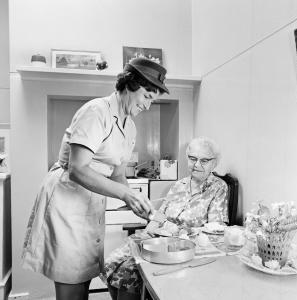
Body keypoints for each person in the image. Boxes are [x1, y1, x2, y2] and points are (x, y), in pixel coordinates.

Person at [21, 58, 169, 300]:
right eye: (147, 96)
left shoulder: (130, 127)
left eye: (153, 100)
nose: (148, 105)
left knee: (84, 277)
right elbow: (77, 169)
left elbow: (118, 174)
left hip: (89, 203)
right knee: (72, 282)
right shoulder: (96, 111)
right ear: (130, 85)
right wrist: (124, 194)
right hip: (67, 200)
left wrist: (136, 203)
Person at [101, 136, 228, 300]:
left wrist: (176, 229)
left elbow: (215, 231)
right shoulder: (179, 185)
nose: (196, 164)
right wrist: (147, 230)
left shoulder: (218, 188)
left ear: (214, 163)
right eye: (192, 159)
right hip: (157, 238)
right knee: (110, 263)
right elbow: (161, 215)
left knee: (127, 271)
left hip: (183, 246)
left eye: (204, 160)